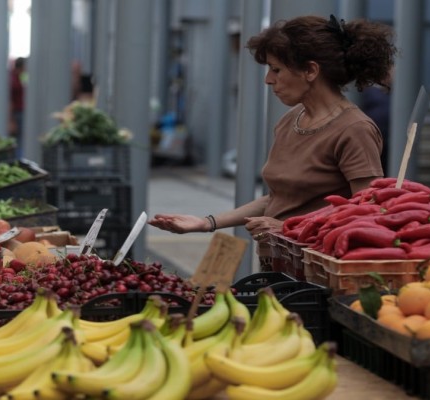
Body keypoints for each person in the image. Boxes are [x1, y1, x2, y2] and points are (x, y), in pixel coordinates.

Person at [148, 15, 397, 271]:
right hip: (278, 262)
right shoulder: (292, 120)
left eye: (276, 69)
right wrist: (205, 223)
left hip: (320, 274)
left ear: (311, 71)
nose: (268, 79)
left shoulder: (354, 129)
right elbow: (279, 198)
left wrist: (292, 227)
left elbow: (364, 209)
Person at [9, 57, 27, 150]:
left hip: (20, 111)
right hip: (16, 112)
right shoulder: (13, 79)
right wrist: (11, 120)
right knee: (17, 139)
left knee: (20, 138)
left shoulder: (19, 77)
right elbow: (10, 100)